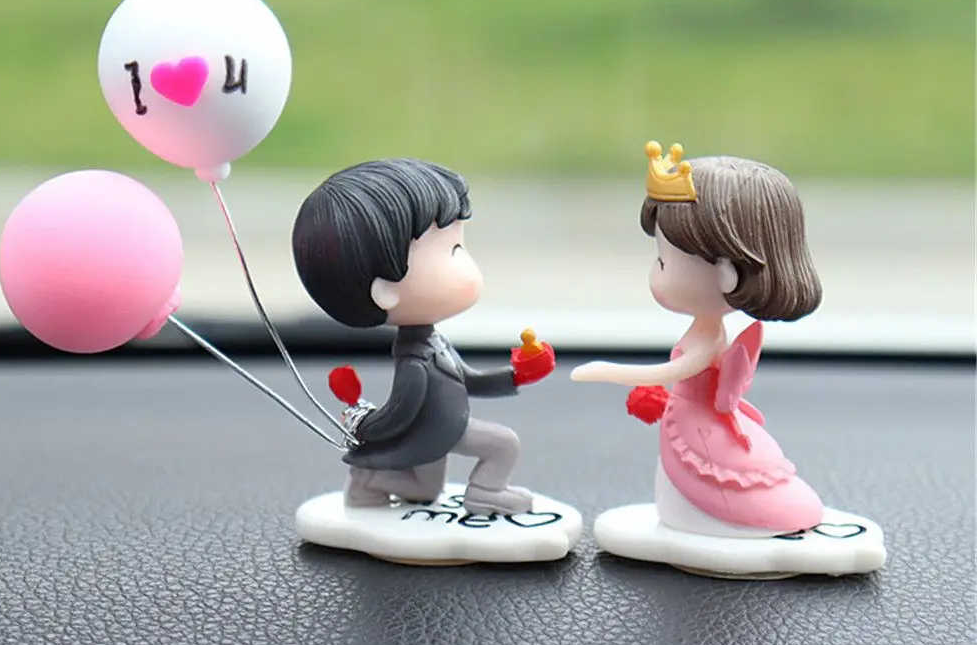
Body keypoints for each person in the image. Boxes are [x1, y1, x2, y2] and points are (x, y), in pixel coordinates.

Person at [572, 142, 825, 536]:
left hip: (697, 424)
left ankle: (701, 520)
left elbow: (669, 372)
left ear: (727, 274)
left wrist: (606, 370)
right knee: (675, 476)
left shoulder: (707, 341)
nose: (655, 274)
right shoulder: (712, 331)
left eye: (663, 262)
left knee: (688, 479)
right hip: (695, 416)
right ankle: (688, 516)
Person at [292, 158, 554, 515]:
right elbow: (400, 412)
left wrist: (517, 375)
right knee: (503, 444)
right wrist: (367, 428)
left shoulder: (434, 344)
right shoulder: (415, 362)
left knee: (425, 490)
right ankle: (486, 492)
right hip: (436, 433)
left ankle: (368, 483)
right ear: (385, 290)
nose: (469, 265)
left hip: (437, 433)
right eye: (453, 251)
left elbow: (469, 380)